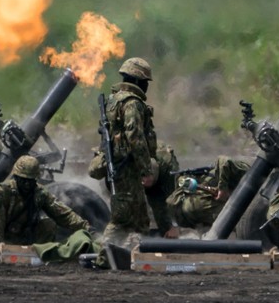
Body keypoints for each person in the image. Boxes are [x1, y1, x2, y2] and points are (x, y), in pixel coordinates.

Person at [96, 57, 158, 247]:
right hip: (127, 168)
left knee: (140, 217)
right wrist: (146, 170)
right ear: (138, 81)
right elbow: (135, 137)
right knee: (121, 218)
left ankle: (138, 253)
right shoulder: (132, 103)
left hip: (121, 165)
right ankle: (103, 253)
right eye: (145, 82)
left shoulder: (114, 100)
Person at [0, 155, 92, 246]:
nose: (27, 184)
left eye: (30, 180)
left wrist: (86, 227)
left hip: (27, 236)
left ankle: (41, 255)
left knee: (49, 224)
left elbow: (62, 213)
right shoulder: (4, 191)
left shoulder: (40, 192)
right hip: (6, 238)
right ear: (16, 177)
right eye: (23, 180)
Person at [166, 156, 250, 231]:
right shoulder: (251, 173)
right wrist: (222, 189)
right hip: (194, 203)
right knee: (241, 222)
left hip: (184, 213)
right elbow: (224, 160)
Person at [144, 143, 180, 238]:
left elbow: (175, 200)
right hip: (145, 168)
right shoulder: (135, 166)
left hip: (165, 175)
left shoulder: (169, 171)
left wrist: (175, 226)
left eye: (149, 180)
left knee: (163, 207)